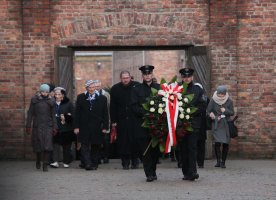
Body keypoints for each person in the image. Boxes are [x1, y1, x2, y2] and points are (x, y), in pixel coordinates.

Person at [131, 65, 160, 182]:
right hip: (142, 124)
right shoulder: (136, 89)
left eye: (149, 74)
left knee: (155, 151)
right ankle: (149, 173)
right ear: (142, 76)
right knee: (146, 151)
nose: (147, 76)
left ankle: (153, 170)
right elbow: (134, 106)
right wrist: (147, 113)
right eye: (145, 74)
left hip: (157, 125)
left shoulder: (159, 88)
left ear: (152, 75)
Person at [74, 80, 109, 170]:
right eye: (89, 87)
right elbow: (77, 113)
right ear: (86, 88)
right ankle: (87, 163)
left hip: (97, 126)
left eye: (93, 87)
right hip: (84, 126)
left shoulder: (102, 98)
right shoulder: (81, 97)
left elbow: (105, 113)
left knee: (96, 145)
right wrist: (76, 126)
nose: (92, 89)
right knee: (84, 145)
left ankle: (94, 163)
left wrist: (105, 127)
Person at [110, 71, 140, 170]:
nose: (126, 80)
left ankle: (135, 161)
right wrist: (113, 120)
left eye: (127, 78)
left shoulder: (137, 86)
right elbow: (113, 106)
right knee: (123, 141)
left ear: (130, 77)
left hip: (134, 118)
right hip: (121, 119)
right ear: (120, 78)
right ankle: (125, 162)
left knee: (135, 140)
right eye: (123, 78)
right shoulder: (115, 89)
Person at [178, 67, 204, 181]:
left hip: (193, 123)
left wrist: (191, 112)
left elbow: (202, 105)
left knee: (192, 147)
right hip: (181, 125)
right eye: (184, 77)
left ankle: (193, 172)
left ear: (192, 77)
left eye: (188, 76)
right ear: (182, 77)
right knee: (183, 149)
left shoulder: (198, 89)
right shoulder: (177, 89)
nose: (186, 78)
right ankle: (186, 172)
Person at [26, 83, 57, 172]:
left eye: (46, 92)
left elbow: (53, 115)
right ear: (40, 91)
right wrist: (28, 126)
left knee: (47, 145)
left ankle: (45, 164)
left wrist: (55, 127)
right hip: (37, 125)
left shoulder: (51, 101)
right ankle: (38, 159)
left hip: (48, 126)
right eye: (43, 91)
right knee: (38, 146)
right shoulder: (34, 100)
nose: (44, 93)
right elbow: (30, 113)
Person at [206, 85, 234, 168]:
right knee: (217, 142)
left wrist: (226, 110)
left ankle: (223, 162)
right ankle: (218, 161)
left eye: (222, 94)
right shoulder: (213, 100)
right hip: (216, 123)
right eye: (219, 94)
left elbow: (232, 112)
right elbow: (208, 111)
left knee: (226, 142)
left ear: (225, 93)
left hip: (226, 123)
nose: (221, 96)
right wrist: (210, 114)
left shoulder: (229, 101)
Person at [50, 87, 75, 168]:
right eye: (56, 94)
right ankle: (55, 161)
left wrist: (66, 116)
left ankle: (66, 161)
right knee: (55, 145)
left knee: (66, 146)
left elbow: (74, 115)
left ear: (63, 95)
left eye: (59, 94)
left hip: (66, 128)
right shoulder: (52, 103)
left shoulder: (68, 103)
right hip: (55, 127)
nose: (57, 96)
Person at [94, 80, 111, 164]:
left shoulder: (106, 95)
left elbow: (109, 107)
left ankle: (106, 156)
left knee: (105, 139)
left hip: (105, 118)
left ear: (100, 86)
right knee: (96, 139)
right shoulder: (91, 95)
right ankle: (98, 157)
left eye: (98, 86)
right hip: (95, 121)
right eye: (95, 86)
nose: (97, 88)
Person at [194, 83, 209, 168]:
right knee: (194, 145)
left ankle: (201, 162)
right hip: (195, 125)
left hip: (202, 125)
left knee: (201, 145)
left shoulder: (205, 99)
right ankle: (195, 161)